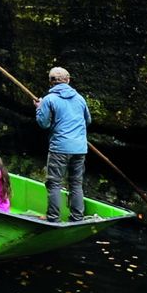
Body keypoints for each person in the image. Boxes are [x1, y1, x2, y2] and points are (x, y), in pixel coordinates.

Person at [35, 66, 91, 222]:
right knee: (76, 183)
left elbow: (43, 123)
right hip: (80, 148)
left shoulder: (48, 100)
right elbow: (88, 121)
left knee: (54, 183)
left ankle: (53, 217)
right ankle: (77, 217)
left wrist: (39, 109)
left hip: (60, 148)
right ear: (68, 80)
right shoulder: (80, 98)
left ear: (50, 82)